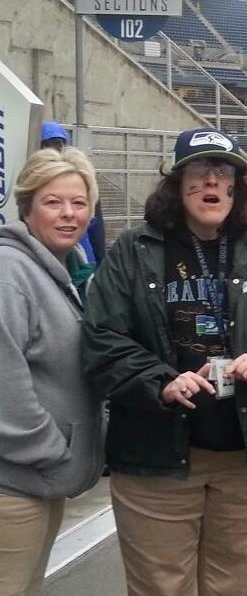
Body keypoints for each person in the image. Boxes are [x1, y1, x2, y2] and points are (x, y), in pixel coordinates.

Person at [81, 128, 247, 596]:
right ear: (176, 182)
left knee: (230, 586)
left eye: (223, 172)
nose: (212, 183)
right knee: (162, 587)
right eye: (199, 171)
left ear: (237, 185)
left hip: (242, 457)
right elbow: (101, 340)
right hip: (158, 456)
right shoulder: (134, 251)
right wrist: (160, 381)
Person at [0, 147, 104, 596]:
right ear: (26, 207)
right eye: (53, 202)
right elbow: (5, 381)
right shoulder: (10, 272)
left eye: (78, 204)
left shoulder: (59, 270)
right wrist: (50, 448)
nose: (68, 215)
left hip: (42, 480)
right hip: (15, 483)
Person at [41, 121, 106, 265]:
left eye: (58, 144)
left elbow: (96, 227)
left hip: (83, 256)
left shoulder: (81, 174)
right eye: (53, 202)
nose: (68, 212)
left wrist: (102, 264)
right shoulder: (34, 180)